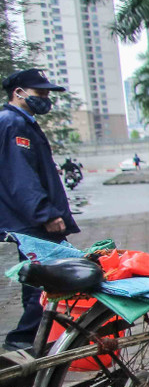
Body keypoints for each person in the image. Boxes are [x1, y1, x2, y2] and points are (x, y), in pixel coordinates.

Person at [0, 69, 77, 350]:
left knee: (36, 278)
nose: (45, 99)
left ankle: (32, 340)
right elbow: (20, 177)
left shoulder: (23, 122)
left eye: (47, 94)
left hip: (27, 220)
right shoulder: (12, 123)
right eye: (39, 93)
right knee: (52, 275)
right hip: (31, 220)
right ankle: (23, 339)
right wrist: (46, 214)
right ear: (18, 92)